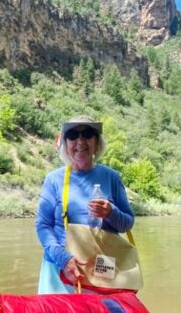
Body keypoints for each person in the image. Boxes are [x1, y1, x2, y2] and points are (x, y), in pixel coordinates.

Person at [36, 115, 134, 293]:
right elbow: (43, 226)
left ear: (97, 142)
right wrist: (63, 259)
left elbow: (127, 223)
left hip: (103, 264)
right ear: (66, 144)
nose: (80, 141)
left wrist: (111, 213)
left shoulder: (112, 177)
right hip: (59, 267)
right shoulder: (54, 180)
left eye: (87, 134)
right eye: (73, 135)